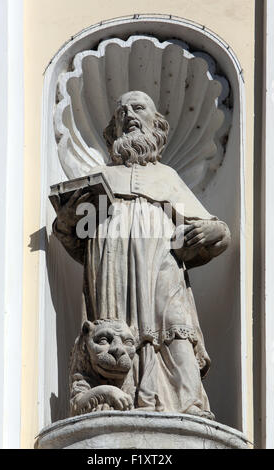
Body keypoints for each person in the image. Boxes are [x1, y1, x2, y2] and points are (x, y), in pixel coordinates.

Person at [53, 91, 231, 417]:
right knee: (114, 332)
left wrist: (216, 231)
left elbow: (211, 228)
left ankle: (187, 403)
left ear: (156, 122)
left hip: (161, 258)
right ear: (113, 129)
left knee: (174, 323)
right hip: (110, 266)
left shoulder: (167, 177)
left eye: (138, 107)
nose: (128, 115)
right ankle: (117, 398)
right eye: (121, 111)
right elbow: (70, 235)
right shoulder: (101, 178)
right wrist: (70, 215)